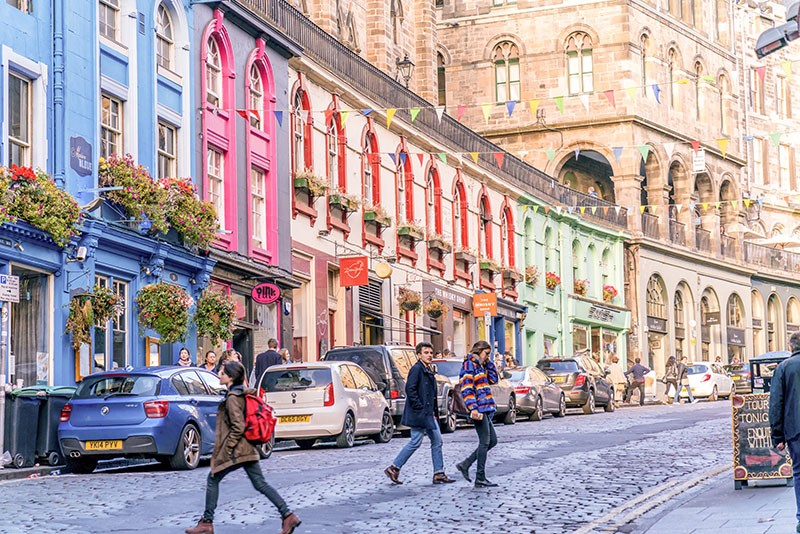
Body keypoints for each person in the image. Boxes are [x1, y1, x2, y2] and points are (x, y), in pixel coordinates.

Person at [185, 360, 301, 534]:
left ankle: (207, 523)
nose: (219, 374)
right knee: (260, 483)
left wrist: (227, 448)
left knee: (213, 479)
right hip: (247, 448)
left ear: (230, 377)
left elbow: (238, 426)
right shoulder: (241, 393)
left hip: (238, 450)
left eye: (222, 372)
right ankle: (288, 515)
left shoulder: (233, 397)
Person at [384, 342, 456, 485]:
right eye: (426, 352)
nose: (429, 355)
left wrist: (432, 411)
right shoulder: (416, 369)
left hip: (428, 414)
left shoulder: (427, 369)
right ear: (419, 355)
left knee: (437, 441)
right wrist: (420, 408)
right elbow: (410, 390)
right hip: (420, 414)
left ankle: (439, 473)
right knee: (415, 441)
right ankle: (394, 467)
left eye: (430, 352)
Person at [456, 340, 499, 488]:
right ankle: (480, 477)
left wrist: (488, 362)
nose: (487, 356)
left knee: (492, 440)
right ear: (479, 350)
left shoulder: (480, 365)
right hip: (479, 409)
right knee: (485, 442)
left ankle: (465, 464)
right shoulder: (469, 365)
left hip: (485, 407)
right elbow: (466, 387)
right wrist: (473, 408)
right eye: (486, 353)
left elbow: (493, 379)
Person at [768, 332, 800, 533]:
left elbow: (776, 403)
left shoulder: (783, 368)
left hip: (795, 429)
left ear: (791, 347)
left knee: (799, 473)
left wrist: (777, 435)